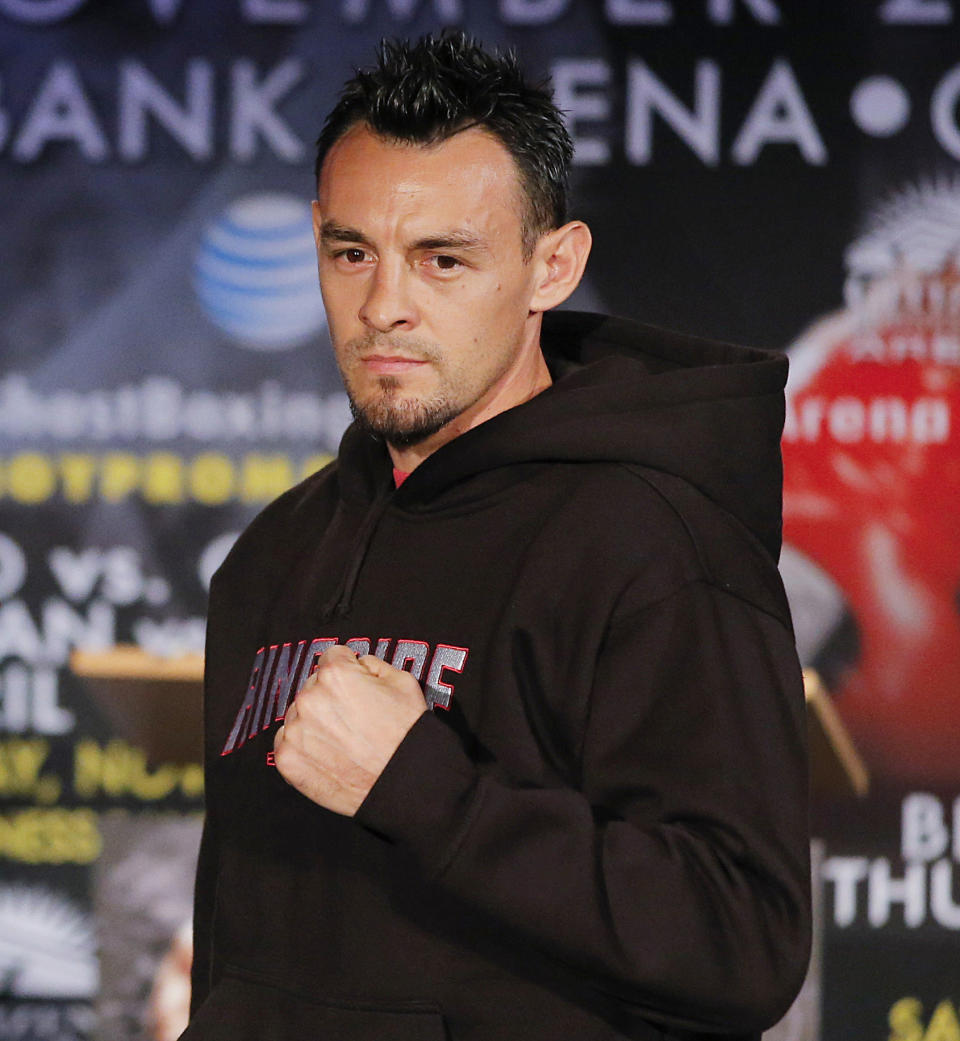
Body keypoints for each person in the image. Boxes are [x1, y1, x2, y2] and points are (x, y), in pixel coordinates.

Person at [182, 31, 810, 1041]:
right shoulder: (273, 555)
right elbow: (240, 941)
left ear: (551, 266)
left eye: (443, 260)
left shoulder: (656, 546)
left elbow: (744, 942)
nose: (385, 306)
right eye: (352, 253)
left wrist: (426, 792)